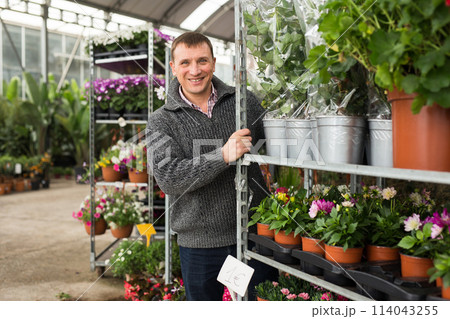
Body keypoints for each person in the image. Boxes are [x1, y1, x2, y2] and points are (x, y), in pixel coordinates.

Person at [146, 31, 277, 301]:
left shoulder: (245, 102)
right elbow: (170, 178)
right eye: (185, 63)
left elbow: (275, 147)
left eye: (202, 61)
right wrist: (223, 155)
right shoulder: (161, 121)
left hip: (253, 234)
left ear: (214, 63)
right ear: (173, 67)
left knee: (263, 305)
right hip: (200, 245)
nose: (195, 70)